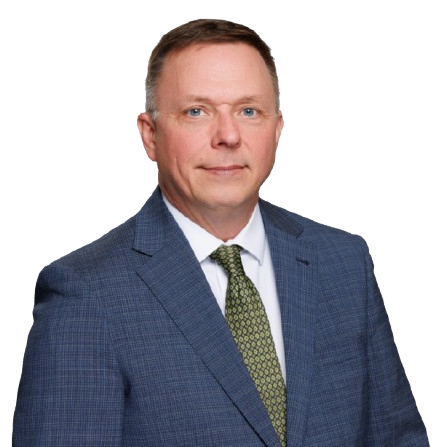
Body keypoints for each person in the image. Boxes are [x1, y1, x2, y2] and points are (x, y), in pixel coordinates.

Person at [13, 19, 429, 446]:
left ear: (276, 130)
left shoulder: (343, 263)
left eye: (249, 111)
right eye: (197, 111)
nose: (228, 136)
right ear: (151, 135)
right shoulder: (86, 293)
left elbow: (398, 438)